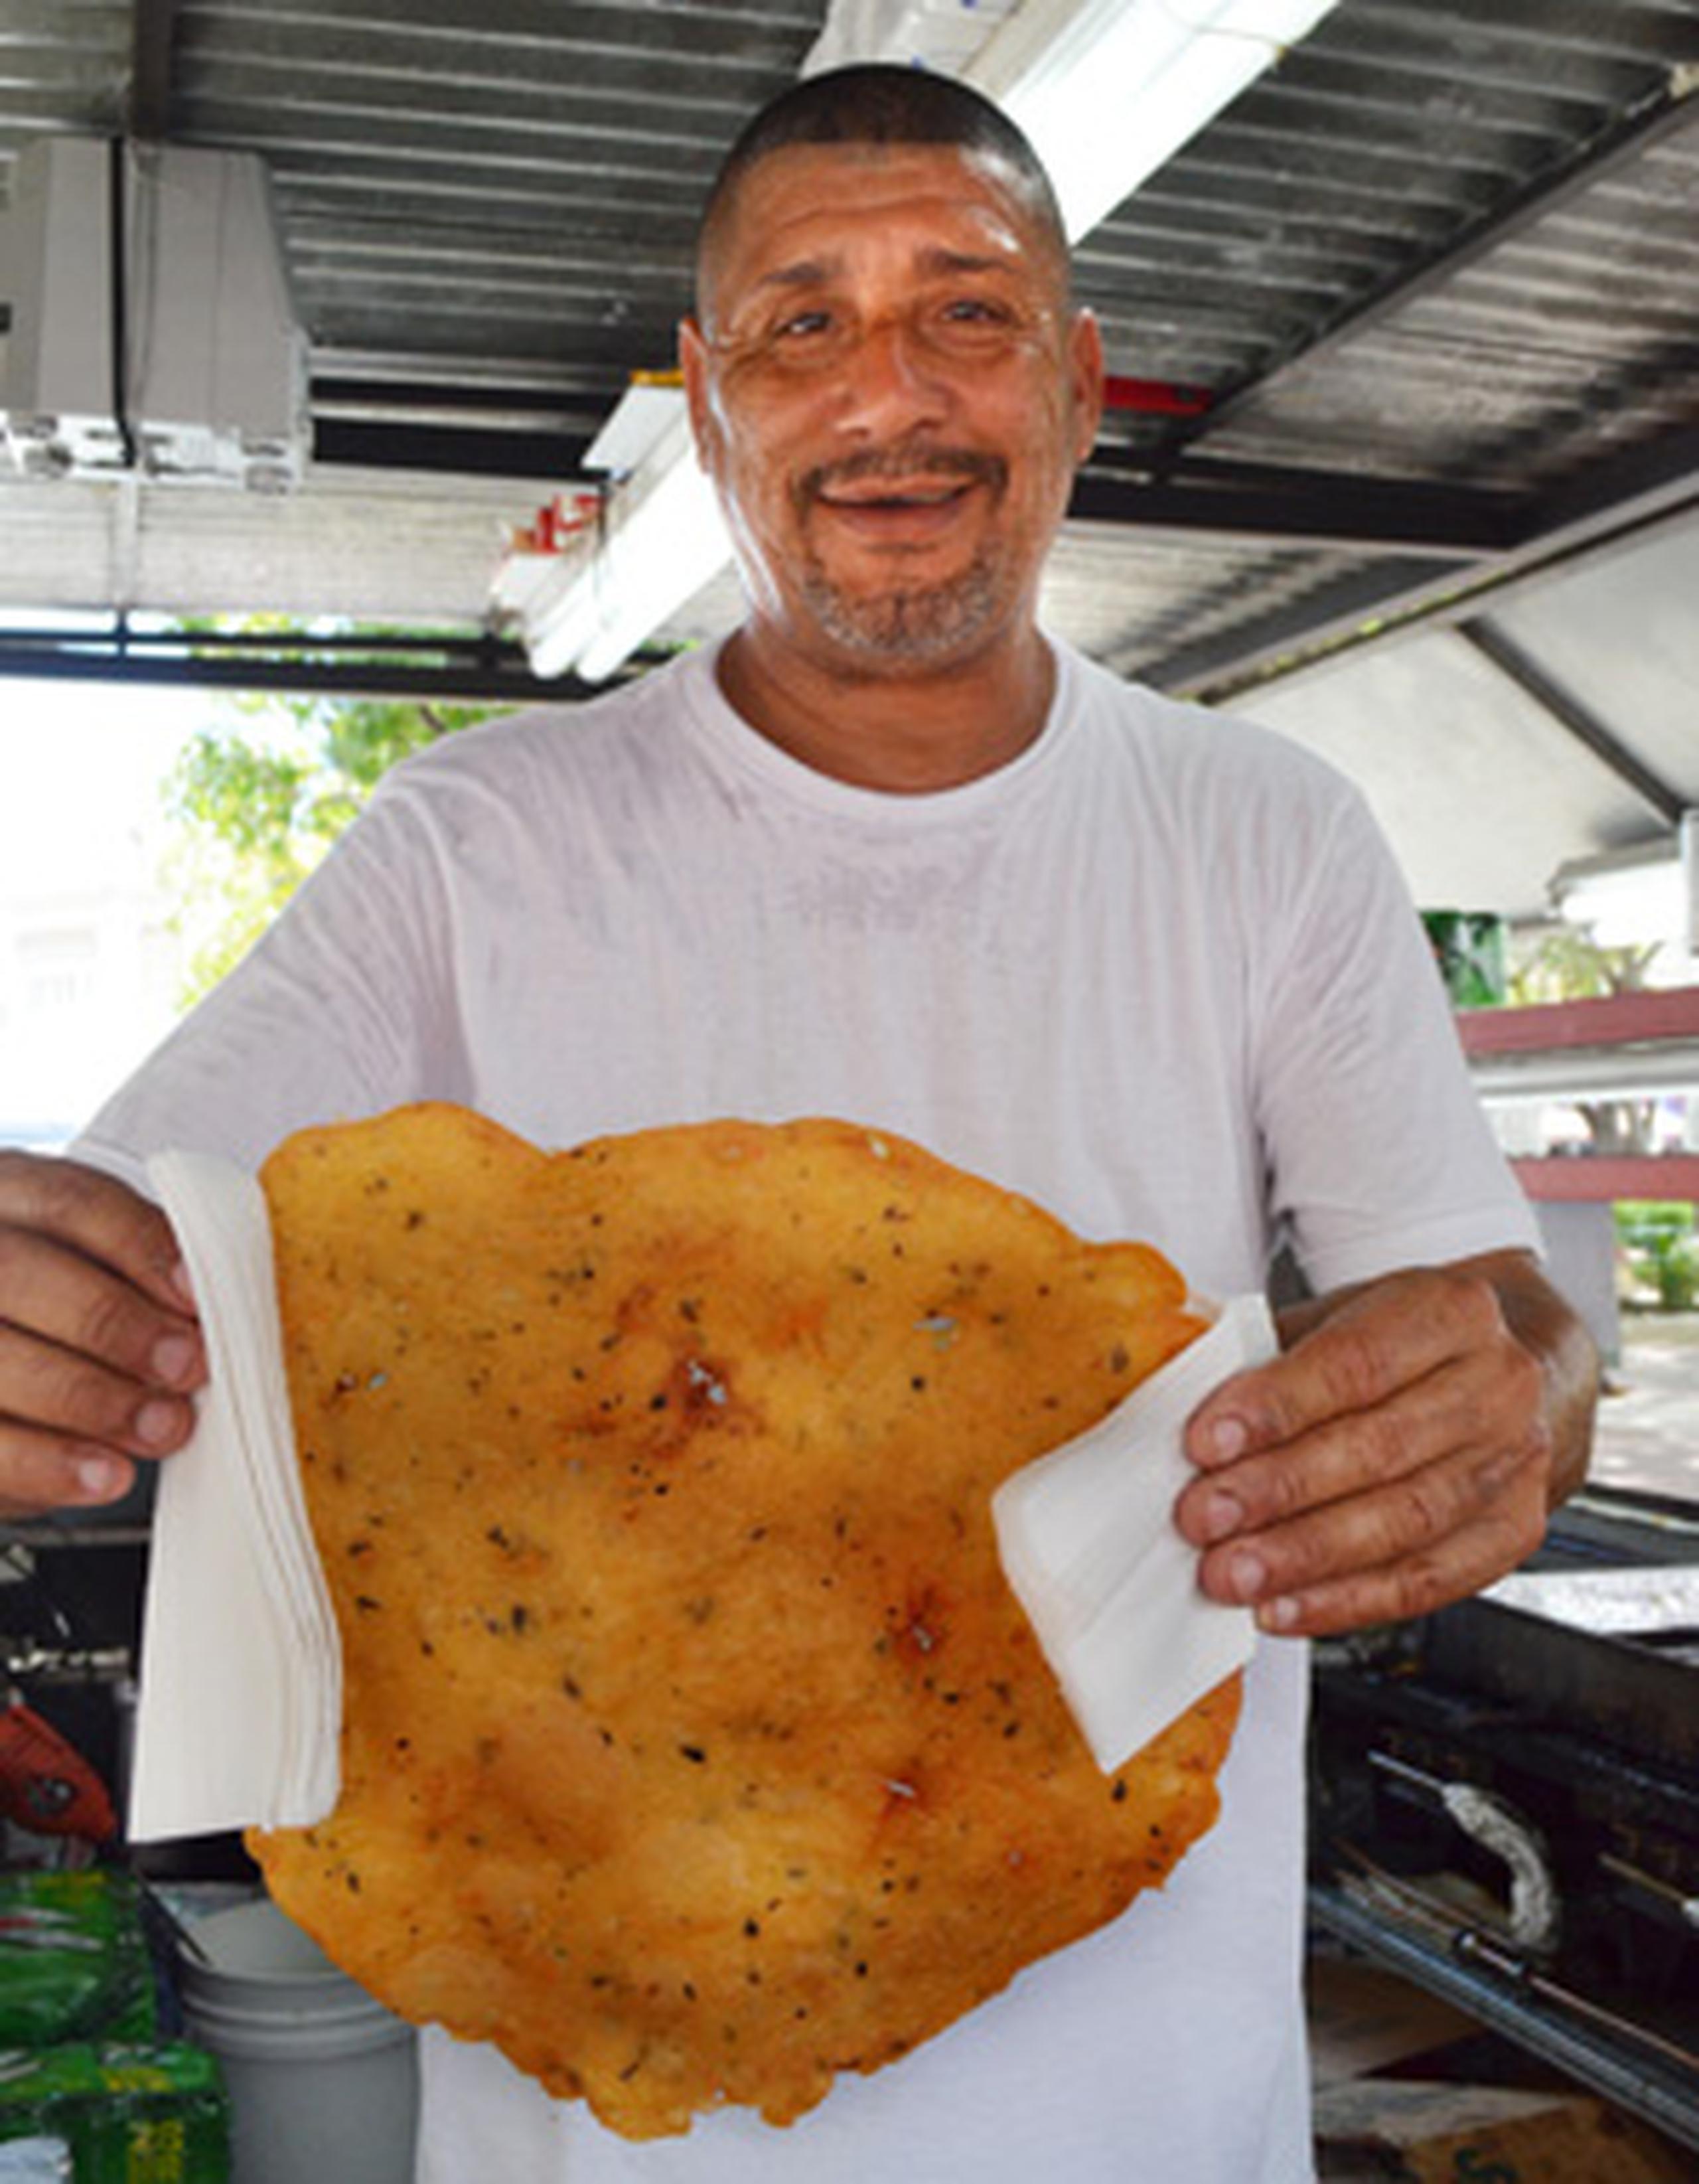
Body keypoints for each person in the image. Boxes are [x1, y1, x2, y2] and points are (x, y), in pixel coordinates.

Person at [0, 64, 1594, 2184]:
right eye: (801, 322)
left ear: (1081, 371)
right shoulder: (475, 848)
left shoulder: (1261, 837)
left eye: (968, 309)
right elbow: (119, 1249)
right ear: (705, 392)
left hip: (1151, 2118)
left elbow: (1485, 1314)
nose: (890, 396)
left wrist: (1522, 1397)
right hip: (600, 2102)